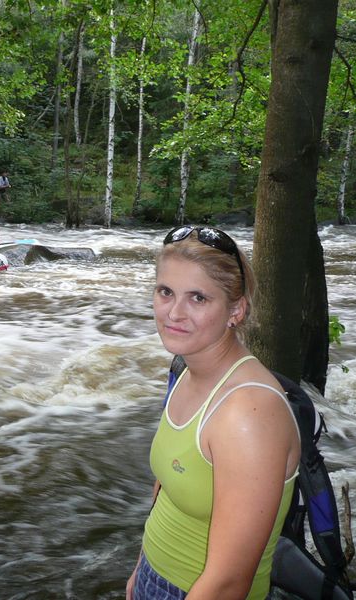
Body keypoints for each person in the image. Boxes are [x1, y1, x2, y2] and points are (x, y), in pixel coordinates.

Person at [126, 226, 301, 600]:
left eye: (199, 298)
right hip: (155, 578)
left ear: (235, 310)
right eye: (165, 292)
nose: (174, 313)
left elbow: (228, 583)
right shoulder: (187, 372)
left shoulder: (248, 412)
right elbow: (168, 486)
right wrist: (142, 567)